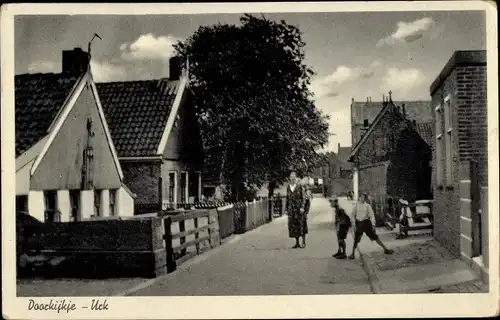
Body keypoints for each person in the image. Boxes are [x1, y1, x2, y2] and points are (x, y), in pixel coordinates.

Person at [348, 193, 394, 259]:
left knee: (375, 237)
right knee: (356, 240)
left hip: (366, 224)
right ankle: (352, 254)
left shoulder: (367, 206)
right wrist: (354, 224)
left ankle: (385, 249)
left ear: (365, 199)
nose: (362, 199)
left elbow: (372, 215)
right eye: (361, 197)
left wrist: (373, 224)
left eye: (364, 198)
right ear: (359, 198)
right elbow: (352, 215)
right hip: (359, 224)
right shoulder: (356, 205)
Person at [286, 171, 307, 248]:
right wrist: (286, 208)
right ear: (289, 178)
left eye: (294, 176)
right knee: (293, 225)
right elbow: (287, 198)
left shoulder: (299, 186)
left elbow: (303, 197)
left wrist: (302, 207)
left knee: (301, 224)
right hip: (291, 209)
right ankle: (297, 242)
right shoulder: (288, 187)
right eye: (291, 177)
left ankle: (303, 241)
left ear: (296, 177)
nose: (292, 178)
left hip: (299, 209)